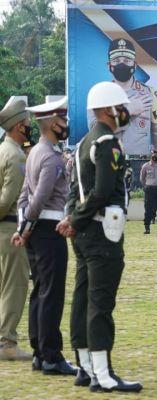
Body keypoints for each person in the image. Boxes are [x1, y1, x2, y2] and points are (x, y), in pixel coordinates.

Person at [58, 81, 142, 392]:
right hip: (101, 232)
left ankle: (85, 367)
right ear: (108, 109)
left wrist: (72, 219)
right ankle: (103, 376)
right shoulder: (107, 143)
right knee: (100, 303)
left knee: (82, 299)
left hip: (84, 232)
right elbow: (103, 191)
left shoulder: (84, 143)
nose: (126, 112)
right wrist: (76, 220)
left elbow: (74, 191)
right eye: (122, 107)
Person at [11, 97, 76, 374]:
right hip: (49, 230)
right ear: (51, 124)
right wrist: (26, 228)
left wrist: (23, 228)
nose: (66, 124)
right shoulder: (51, 157)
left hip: (36, 231)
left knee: (40, 291)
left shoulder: (35, 152)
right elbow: (39, 198)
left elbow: (24, 196)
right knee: (52, 293)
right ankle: (51, 355)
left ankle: (39, 351)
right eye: (62, 120)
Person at [88, 38, 157, 155]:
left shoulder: (150, 94)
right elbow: (95, 132)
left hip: (139, 163)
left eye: (127, 60)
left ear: (135, 65)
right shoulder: (99, 95)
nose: (122, 64)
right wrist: (127, 111)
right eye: (116, 60)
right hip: (108, 162)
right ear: (109, 65)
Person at [0, 99, 31, 361]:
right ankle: (7, 342)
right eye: (28, 123)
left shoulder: (2, 150)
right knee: (14, 286)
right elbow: (6, 200)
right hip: (9, 228)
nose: (30, 127)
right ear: (20, 126)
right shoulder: (16, 156)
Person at [140, 149, 157, 234]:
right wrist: (146, 186)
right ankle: (147, 228)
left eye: (156, 155)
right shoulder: (145, 166)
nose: (155, 156)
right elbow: (142, 178)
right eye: (153, 154)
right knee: (148, 209)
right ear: (151, 155)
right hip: (149, 190)